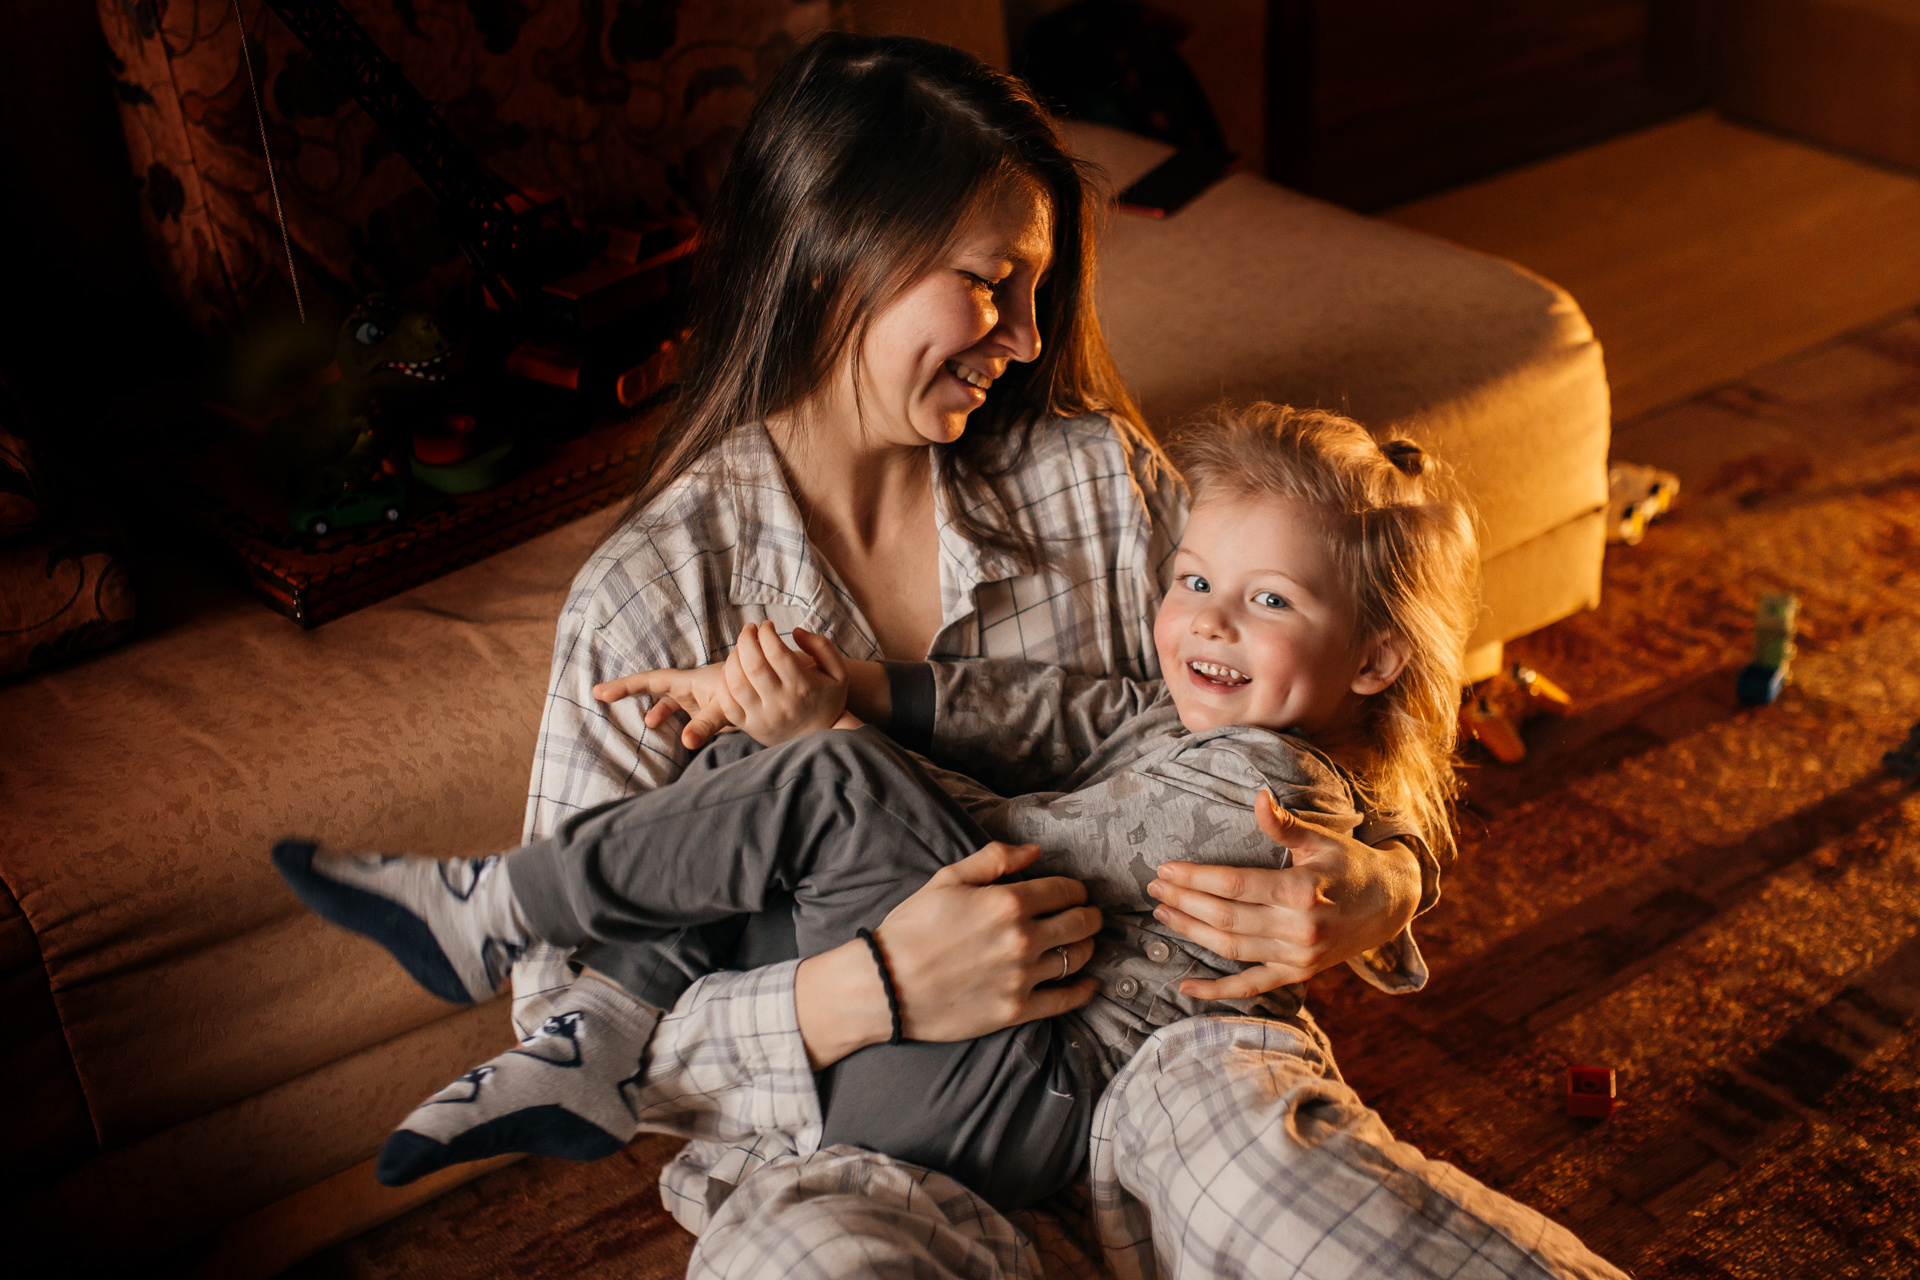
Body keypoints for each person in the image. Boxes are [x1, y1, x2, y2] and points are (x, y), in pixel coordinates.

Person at [288, 30, 1610, 1279]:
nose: (1030, 339)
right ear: (833, 258)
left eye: (1038, 291)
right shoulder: (651, 603)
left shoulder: (1094, 483)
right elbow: (572, 1026)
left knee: (1298, 1200)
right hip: (851, 1140)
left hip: (1162, 1061)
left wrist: (1380, 891)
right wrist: (860, 992)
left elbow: (1288, 726)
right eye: (990, 282)